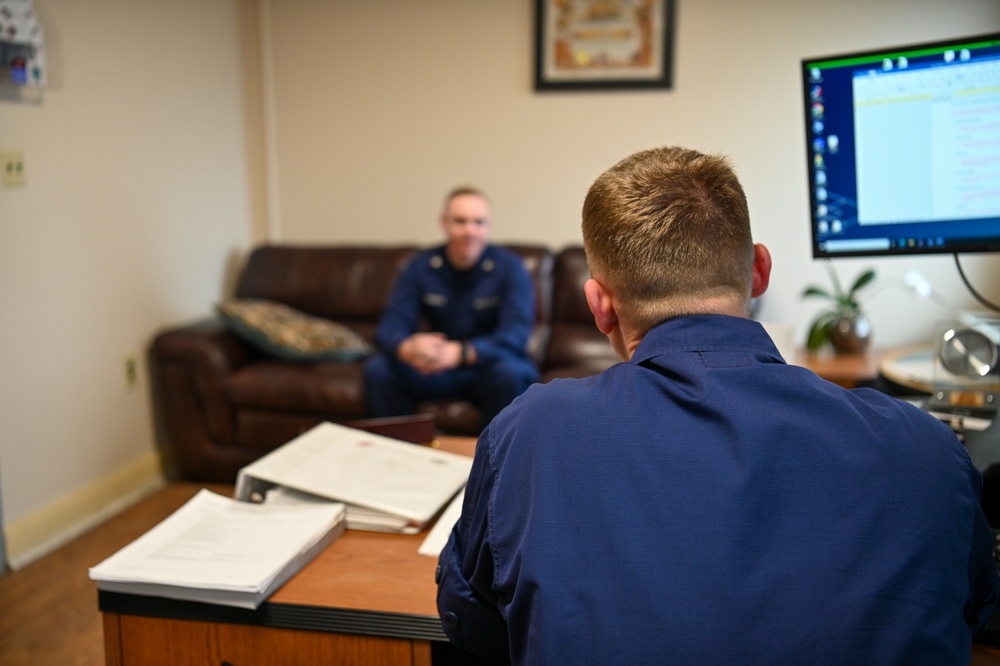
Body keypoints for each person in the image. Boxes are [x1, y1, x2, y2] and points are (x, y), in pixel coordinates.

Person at [436, 147, 1000, 664]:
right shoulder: (927, 451)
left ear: (599, 304)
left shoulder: (529, 434)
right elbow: (975, 607)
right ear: (759, 271)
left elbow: (473, 619)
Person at [363, 186, 538, 432]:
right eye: (460, 221)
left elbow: (516, 333)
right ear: (443, 223)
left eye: (479, 222)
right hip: (434, 367)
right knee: (378, 369)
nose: (470, 231)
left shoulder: (510, 268)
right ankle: (398, 452)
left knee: (513, 373)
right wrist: (408, 348)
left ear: (488, 226)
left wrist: (461, 352)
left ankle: (494, 463)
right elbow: (392, 324)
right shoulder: (421, 266)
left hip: (485, 367)